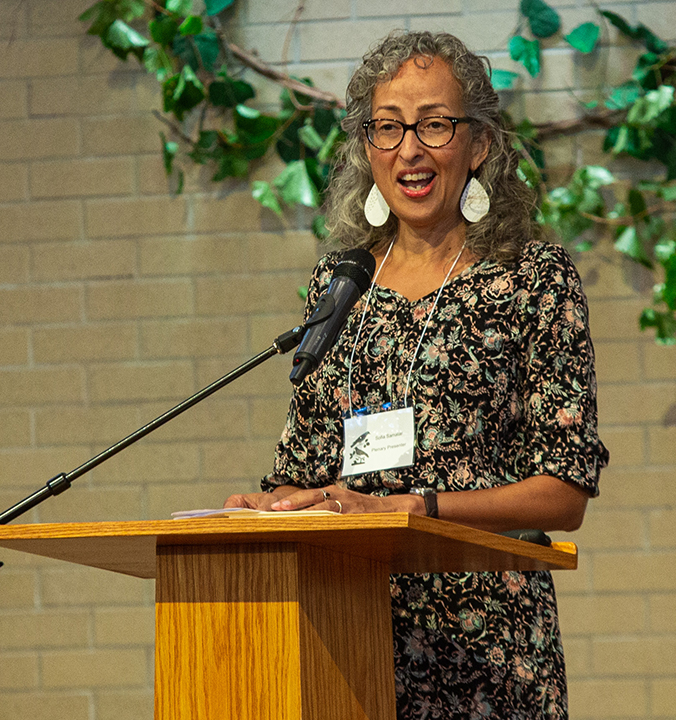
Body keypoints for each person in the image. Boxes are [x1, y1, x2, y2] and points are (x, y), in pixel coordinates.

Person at [224, 30, 608, 719]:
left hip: (490, 649)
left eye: (434, 125)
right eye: (388, 128)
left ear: (479, 144)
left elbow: (564, 489)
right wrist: (278, 507)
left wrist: (416, 510)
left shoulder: (532, 279)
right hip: (348, 639)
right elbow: (304, 467)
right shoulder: (342, 287)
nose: (409, 150)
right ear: (366, 148)